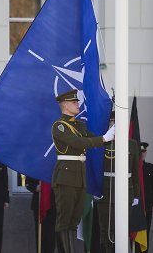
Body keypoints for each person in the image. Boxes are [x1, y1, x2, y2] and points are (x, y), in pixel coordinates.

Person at [51, 89, 115, 253]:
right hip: (65, 177)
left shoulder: (79, 124)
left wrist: (112, 128)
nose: (77, 104)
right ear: (65, 105)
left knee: (74, 220)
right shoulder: (59, 126)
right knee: (64, 220)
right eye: (74, 102)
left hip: (80, 176)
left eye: (77, 102)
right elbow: (79, 143)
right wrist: (104, 138)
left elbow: (95, 140)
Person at [96, 112, 140, 253]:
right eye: (112, 122)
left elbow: (135, 171)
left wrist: (136, 195)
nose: (114, 125)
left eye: (117, 122)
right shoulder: (102, 143)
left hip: (126, 191)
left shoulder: (132, 145)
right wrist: (95, 190)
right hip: (105, 191)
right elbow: (95, 168)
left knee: (122, 229)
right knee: (105, 230)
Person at [25, 176, 64, 253]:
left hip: (54, 204)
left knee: (51, 236)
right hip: (39, 204)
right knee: (40, 235)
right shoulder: (37, 165)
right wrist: (36, 187)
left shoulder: (57, 164)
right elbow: (28, 183)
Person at [140, 142, 153, 252]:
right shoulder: (132, 167)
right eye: (141, 152)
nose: (142, 154)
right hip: (136, 205)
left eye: (144, 151)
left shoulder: (151, 168)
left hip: (147, 205)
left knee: (146, 231)